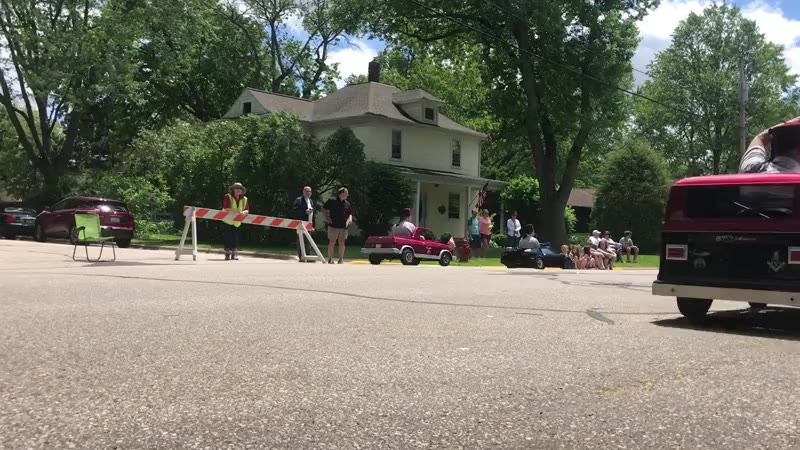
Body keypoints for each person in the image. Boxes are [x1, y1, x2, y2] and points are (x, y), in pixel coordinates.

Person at [323, 187, 353, 264]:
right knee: (332, 241)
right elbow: (324, 209)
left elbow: (350, 213)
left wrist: (350, 219)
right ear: (341, 194)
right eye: (346, 193)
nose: (347, 195)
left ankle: (341, 259)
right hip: (333, 225)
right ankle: (330, 259)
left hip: (343, 227)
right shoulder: (332, 201)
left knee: (342, 242)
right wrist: (326, 218)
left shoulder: (347, 203)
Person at [222, 182, 249, 261]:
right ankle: (227, 254)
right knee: (227, 238)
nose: (238, 190)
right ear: (233, 189)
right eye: (236, 188)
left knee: (235, 238)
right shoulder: (228, 196)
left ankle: (234, 254)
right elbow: (227, 208)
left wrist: (244, 212)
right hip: (227, 221)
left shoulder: (245, 199)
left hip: (237, 222)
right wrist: (238, 211)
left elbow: (247, 210)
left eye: (240, 188)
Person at [293, 186, 316, 261]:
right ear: (303, 192)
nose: (309, 193)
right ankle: (301, 256)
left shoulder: (311, 201)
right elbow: (295, 211)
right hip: (301, 223)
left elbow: (313, 215)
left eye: (310, 192)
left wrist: (313, 225)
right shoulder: (299, 200)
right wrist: (305, 212)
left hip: (309, 224)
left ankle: (308, 256)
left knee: (308, 241)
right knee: (300, 240)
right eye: (307, 191)